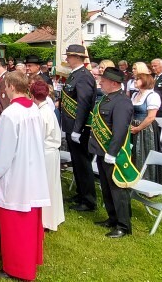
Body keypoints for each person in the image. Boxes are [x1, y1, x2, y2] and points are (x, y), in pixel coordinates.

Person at [0, 71, 50, 281]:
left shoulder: (10, 114)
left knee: (15, 224)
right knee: (30, 220)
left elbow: (3, 150)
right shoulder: (34, 109)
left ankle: (16, 268)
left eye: (6, 86)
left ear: (12, 87)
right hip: (33, 169)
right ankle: (29, 259)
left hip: (16, 173)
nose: (5, 90)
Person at [90, 67, 136, 238]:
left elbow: (120, 131)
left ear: (114, 83)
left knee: (117, 189)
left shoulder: (122, 102)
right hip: (102, 150)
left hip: (112, 153)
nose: (101, 82)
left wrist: (112, 153)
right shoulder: (107, 98)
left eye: (104, 81)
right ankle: (112, 218)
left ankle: (123, 225)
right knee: (106, 187)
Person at [60, 45, 97, 213]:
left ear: (77, 57)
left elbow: (83, 104)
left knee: (83, 163)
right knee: (76, 162)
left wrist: (77, 129)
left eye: (69, 56)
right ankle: (81, 193)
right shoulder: (75, 74)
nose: (67, 59)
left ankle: (88, 200)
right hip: (71, 125)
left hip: (79, 128)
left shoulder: (84, 76)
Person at [31, 79, 64, 231]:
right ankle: (52, 218)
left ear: (33, 96)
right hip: (51, 152)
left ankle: (46, 220)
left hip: (46, 152)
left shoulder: (42, 114)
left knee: (46, 187)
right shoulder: (47, 110)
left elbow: (39, 137)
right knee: (52, 186)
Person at [130, 73, 162, 183]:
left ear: (145, 81)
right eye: (135, 79)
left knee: (143, 152)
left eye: (138, 79)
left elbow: (151, 117)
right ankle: (131, 177)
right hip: (132, 126)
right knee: (133, 152)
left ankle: (147, 179)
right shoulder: (135, 95)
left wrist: (138, 128)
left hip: (146, 129)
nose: (135, 81)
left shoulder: (152, 96)